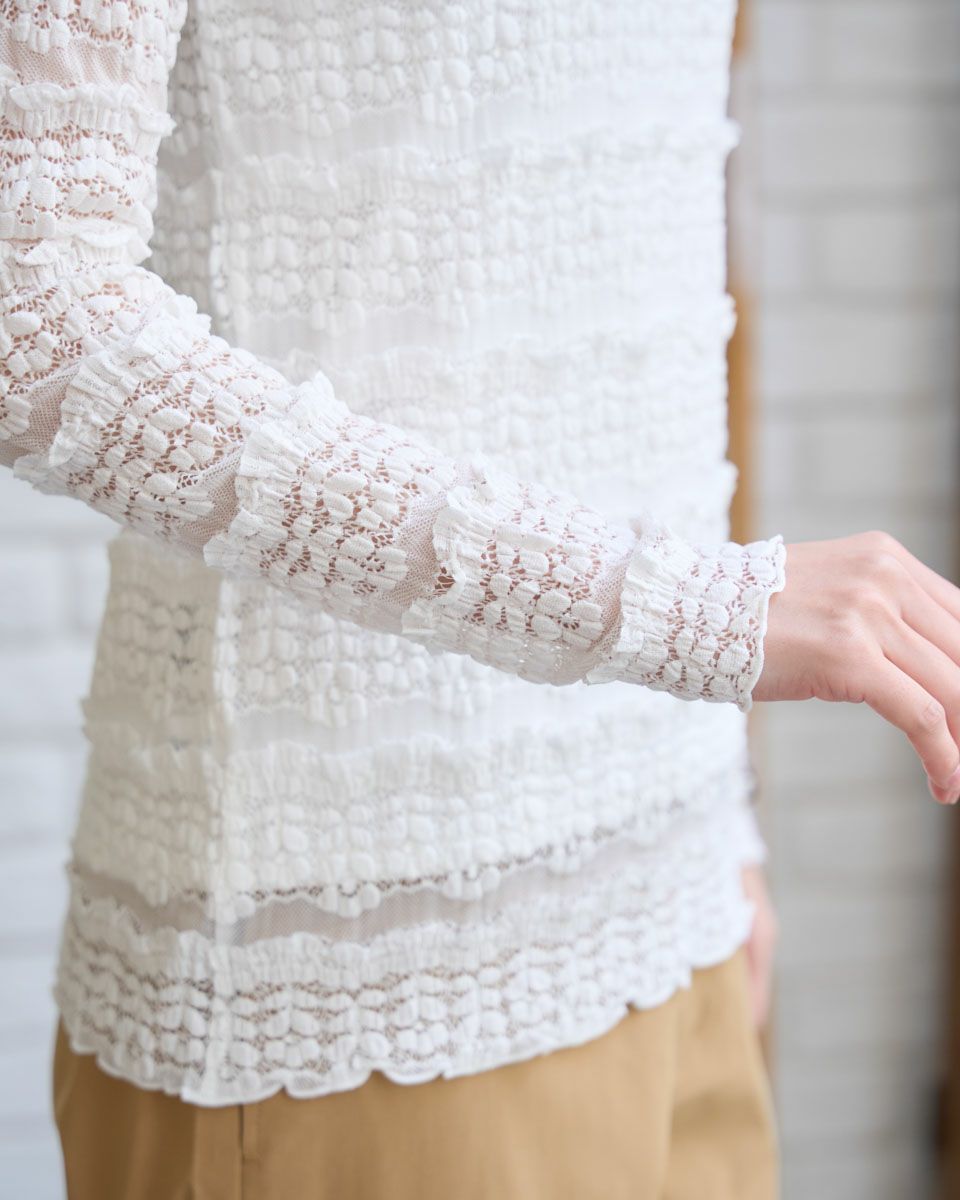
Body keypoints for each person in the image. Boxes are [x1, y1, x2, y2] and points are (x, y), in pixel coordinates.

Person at [3, 1, 959, 1197]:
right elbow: (35, 320)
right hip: (356, 971)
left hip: (674, 902)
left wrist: (722, 820)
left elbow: (616, 243)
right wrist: (690, 612)